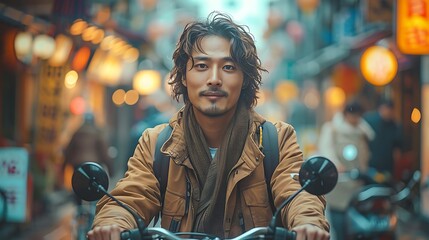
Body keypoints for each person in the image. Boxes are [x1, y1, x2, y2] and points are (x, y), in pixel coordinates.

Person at [88, 12, 330, 240]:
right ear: (183, 76)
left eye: (228, 67)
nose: (214, 78)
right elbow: (132, 195)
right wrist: (113, 224)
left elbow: (296, 192)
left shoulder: (276, 139)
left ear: (244, 78)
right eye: (202, 66)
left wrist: (307, 224)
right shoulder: (156, 143)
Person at [317, 101, 374, 239]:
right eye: (353, 115)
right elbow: (326, 150)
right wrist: (336, 164)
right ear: (346, 114)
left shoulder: (363, 131)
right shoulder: (332, 128)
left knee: (358, 228)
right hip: (340, 185)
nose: (355, 119)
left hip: (358, 185)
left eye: (358, 116)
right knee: (340, 225)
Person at [363, 98, 403, 183]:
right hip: (371, 164)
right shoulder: (369, 121)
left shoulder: (394, 125)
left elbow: (397, 146)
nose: (388, 112)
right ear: (381, 108)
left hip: (387, 164)